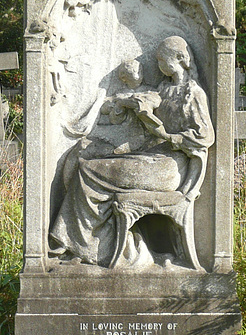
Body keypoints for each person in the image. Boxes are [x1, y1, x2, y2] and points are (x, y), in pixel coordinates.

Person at [49, 36, 214, 267]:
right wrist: (138, 104)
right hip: (152, 157)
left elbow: (205, 136)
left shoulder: (193, 93)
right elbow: (153, 99)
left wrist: (169, 137)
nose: (157, 64)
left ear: (178, 59)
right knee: (86, 158)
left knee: (89, 170)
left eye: (161, 59)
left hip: (171, 167)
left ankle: (87, 247)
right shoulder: (165, 87)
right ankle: (87, 243)